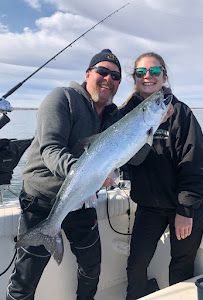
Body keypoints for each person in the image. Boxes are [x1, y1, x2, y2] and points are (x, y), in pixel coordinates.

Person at [6, 49, 122, 300]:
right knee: (25, 280)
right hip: (43, 200)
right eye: (102, 71)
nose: (108, 79)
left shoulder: (113, 115)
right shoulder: (62, 98)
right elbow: (51, 148)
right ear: (88, 73)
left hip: (84, 201)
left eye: (115, 76)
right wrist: (85, 173)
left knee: (91, 267)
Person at [119, 52, 203, 300]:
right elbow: (124, 159)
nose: (147, 77)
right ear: (134, 78)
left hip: (183, 206)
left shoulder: (181, 113)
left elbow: (197, 164)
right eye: (141, 72)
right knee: (136, 265)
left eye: (154, 71)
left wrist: (185, 210)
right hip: (149, 205)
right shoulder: (125, 114)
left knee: (181, 267)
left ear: (164, 75)